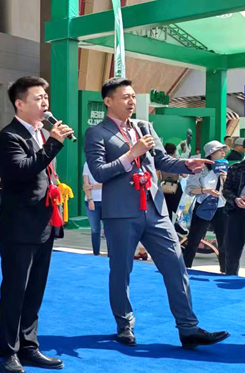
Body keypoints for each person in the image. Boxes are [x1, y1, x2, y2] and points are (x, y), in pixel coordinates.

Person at [84, 77, 229, 349]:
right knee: (121, 271)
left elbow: (162, 160)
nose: (131, 101)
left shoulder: (144, 126)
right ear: (108, 101)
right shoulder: (97, 133)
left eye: (133, 96)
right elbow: (99, 172)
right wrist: (131, 154)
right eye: (125, 97)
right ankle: (124, 324)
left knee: (176, 265)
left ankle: (188, 328)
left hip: (156, 209)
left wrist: (187, 164)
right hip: (121, 213)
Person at [0, 76, 73, 373]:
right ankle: (8, 351)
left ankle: (29, 345)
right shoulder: (10, 136)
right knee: (15, 290)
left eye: (45, 98)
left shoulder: (40, 133)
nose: (45, 103)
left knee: (36, 289)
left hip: (44, 223)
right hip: (19, 226)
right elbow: (22, 171)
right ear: (19, 103)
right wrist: (53, 143)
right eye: (38, 98)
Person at [182, 140, 228, 273]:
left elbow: (230, 190)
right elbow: (189, 189)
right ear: (211, 153)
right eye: (219, 150)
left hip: (221, 206)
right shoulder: (200, 169)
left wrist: (225, 178)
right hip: (203, 205)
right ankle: (185, 267)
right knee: (194, 238)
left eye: (223, 150)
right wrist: (205, 191)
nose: (223, 153)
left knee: (224, 240)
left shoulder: (225, 168)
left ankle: (226, 270)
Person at [223, 136, 245, 274]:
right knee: (232, 249)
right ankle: (231, 277)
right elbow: (226, 190)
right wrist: (236, 199)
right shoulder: (235, 168)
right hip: (237, 211)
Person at [82, 161, 104, 256]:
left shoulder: (108, 162)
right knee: (95, 229)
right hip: (91, 201)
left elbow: (108, 184)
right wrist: (90, 199)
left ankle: (111, 253)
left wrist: (91, 186)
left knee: (109, 229)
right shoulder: (87, 164)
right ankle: (96, 253)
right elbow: (85, 185)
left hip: (106, 201)